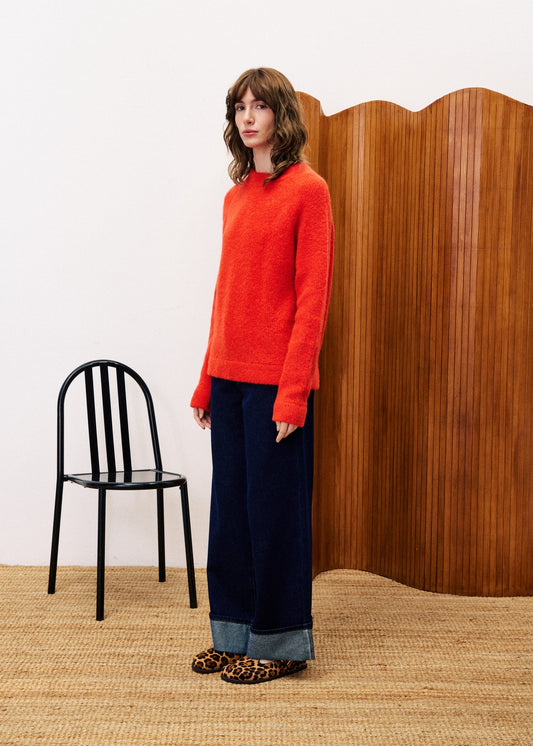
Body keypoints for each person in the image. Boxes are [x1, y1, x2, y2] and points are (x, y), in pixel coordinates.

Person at [190, 67, 334, 685]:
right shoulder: (236, 197)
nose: (248, 117)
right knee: (231, 512)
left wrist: (293, 394)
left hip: (277, 383)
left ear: (282, 115)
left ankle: (279, 644)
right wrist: (206, 380)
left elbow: (312, 300)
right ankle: (233, 634)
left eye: (260, 106)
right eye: (240, 108)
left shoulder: (309, 191)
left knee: (275, 513)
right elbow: (226, 296)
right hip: (228, 380)